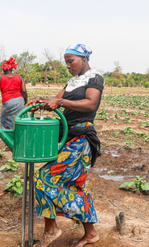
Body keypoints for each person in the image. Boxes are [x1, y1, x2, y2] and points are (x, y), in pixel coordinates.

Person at [27, 43, 104, 247]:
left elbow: (90, 104)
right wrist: (41, 99)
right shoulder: (72, 82)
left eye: (71, 61)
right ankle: (90, 234)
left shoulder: (95, 76)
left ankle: (51, 230)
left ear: (84, 59)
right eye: (66, 62)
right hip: (67, 138)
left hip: (81, 139)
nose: (68, 66)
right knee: (74, 186)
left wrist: (61, 103)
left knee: (43, 177)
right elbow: (56, 99)